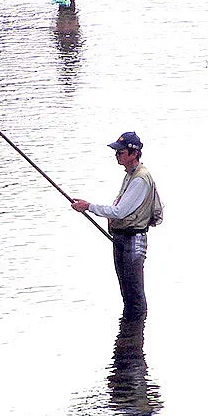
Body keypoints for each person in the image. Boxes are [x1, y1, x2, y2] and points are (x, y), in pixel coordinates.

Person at [71, 132, 158, 319]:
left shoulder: (140, 179)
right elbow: (120, 208)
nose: (117, 155)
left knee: (134, 294)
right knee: (126, 291)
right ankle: (131, 334)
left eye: (121, 152)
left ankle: (133, 335)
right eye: (117, 152)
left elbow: (119, 212)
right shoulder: (130, 175)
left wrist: (88, 207)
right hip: (122, 238)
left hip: (134, 240)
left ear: (134, 153)